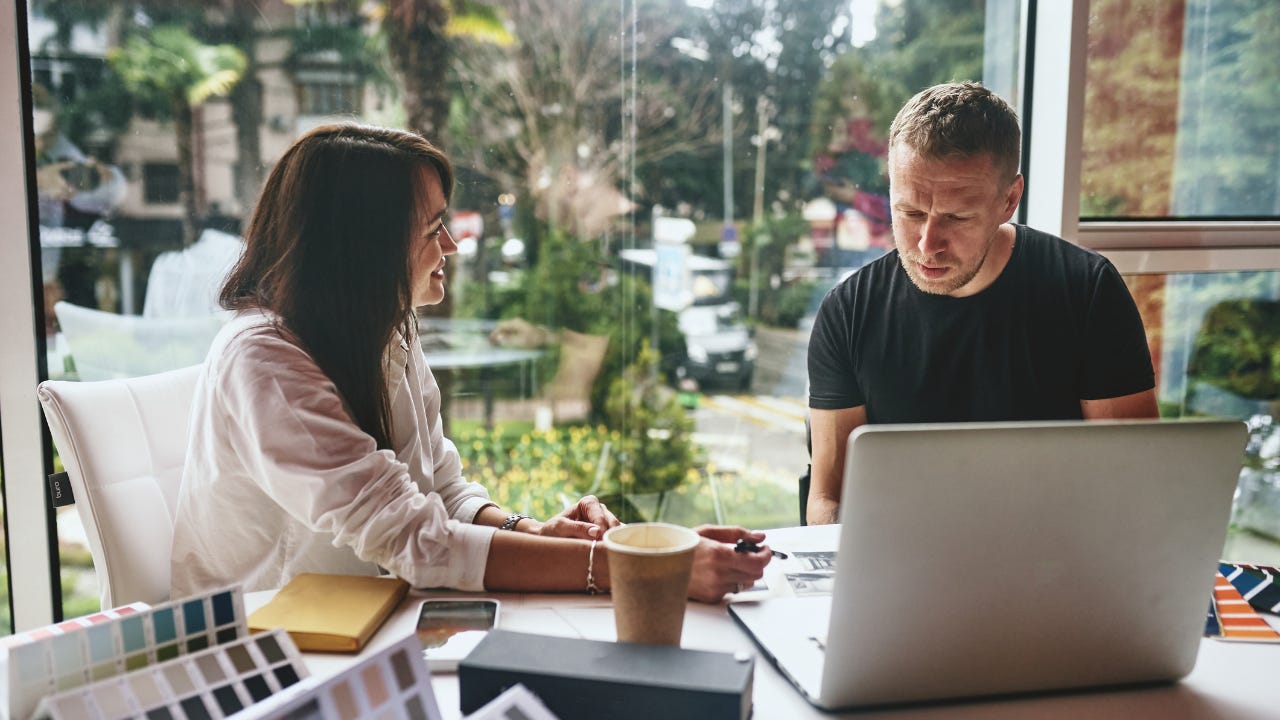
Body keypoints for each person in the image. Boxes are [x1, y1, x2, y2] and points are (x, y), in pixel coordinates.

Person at [170, 124, 772, 601]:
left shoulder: (383, 333)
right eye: (434, 228)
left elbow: (441, 491)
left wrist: (529, 531)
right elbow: (415, 542)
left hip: (373, 620)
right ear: (364, 247)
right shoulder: (265, 361)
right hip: (270, 651)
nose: (451, 247)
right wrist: (636, 566)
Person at [806, 82, 1158, 526]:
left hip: (1055, 567)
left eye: (956, 217)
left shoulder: (1087, 293)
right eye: (910, 212)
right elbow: (828, 500)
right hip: (900, 573)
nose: (927, 245)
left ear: (1009, 199)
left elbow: (1134, 486)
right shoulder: (847, 314)